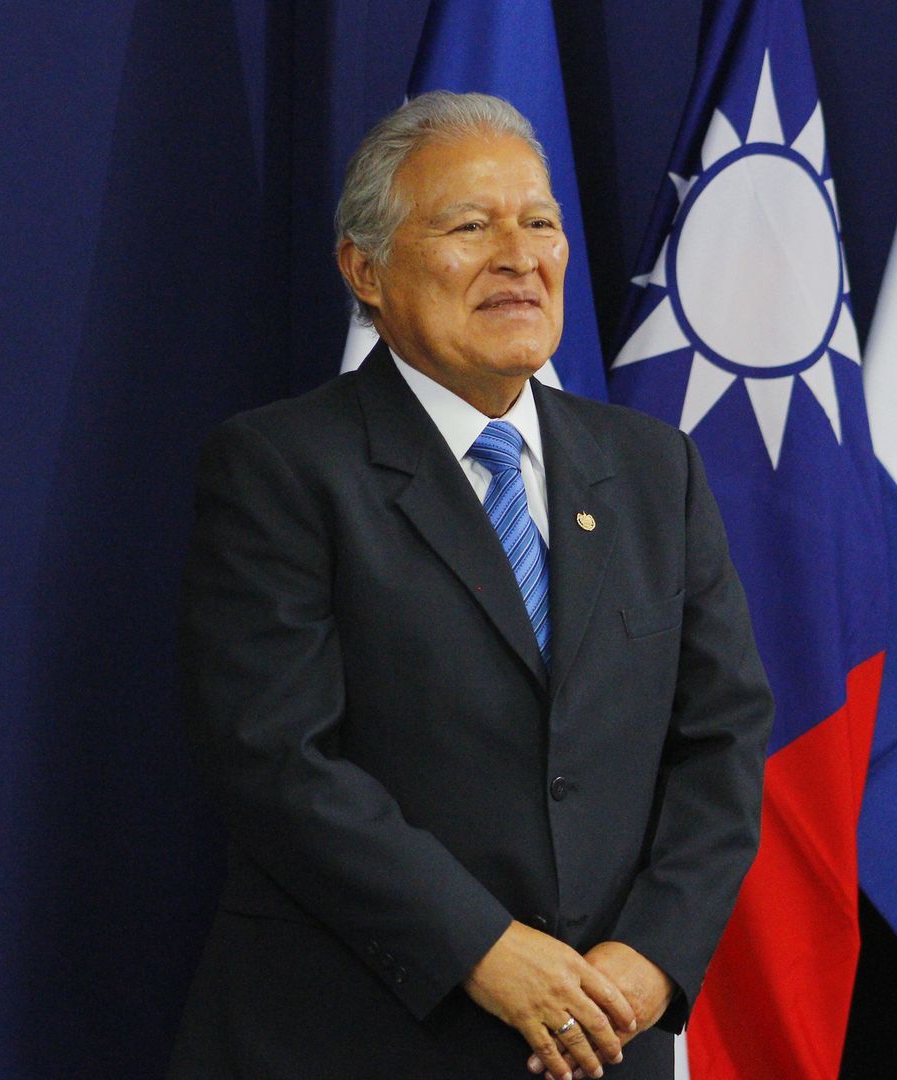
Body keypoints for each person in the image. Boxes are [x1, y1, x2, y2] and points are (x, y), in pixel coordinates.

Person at [169, 91, 774, 1079]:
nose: (519, 255)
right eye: (469, 225)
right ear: (365, 270)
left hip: (602, 1036)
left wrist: (655, 956)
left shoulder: (654, 470)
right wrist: (482, 950)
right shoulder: (281, 467)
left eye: (540, 223)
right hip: (358, 1034)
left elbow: (723, 734)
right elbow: (275, 758)